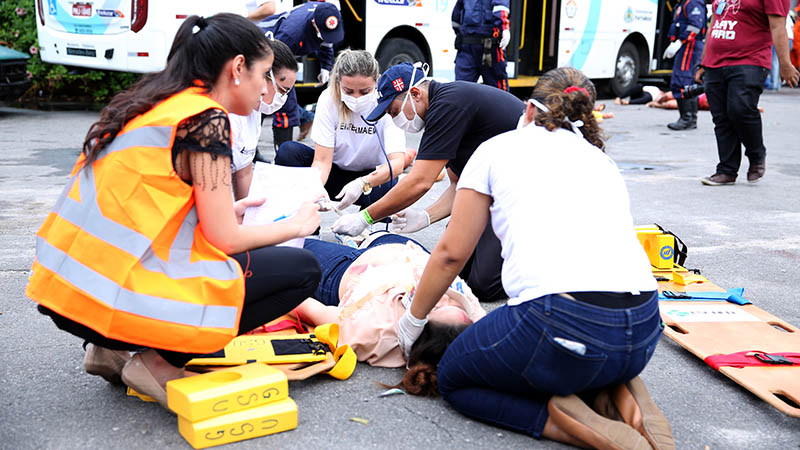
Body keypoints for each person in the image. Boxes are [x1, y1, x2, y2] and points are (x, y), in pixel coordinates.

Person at [26, 14, 323, 408]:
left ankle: (107, 349)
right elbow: (225, 239)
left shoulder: (152, 103)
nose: (267, 89)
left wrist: (222, 208)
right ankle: (158, 363)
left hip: (68, 292)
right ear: (237, 68)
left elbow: (140, 205)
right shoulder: (207, 119)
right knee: (302, 270)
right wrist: (297, 225)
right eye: (265, 73)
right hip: (116, 297)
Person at [394, 67, 674, 449]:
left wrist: (413, 321)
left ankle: (568, 424)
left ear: (527, 109)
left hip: (566, 325)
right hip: (642, 333)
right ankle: (621, 393)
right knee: (577, 348)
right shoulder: (600, 160)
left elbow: (450, 255)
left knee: (456, 376)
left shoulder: (497, 149)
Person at [332, 62, 526, 302]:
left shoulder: (448, 105)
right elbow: (458, 186)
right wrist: (426, 216)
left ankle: (538, 254)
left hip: (526, 184)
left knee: (484, 284)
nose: (395, 120)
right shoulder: (443, 108)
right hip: (499, 184)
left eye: (393, 112)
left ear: (415, 94)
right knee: (457, 269)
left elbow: (420, 181)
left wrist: (365, 217)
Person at [294, 232, 486, 368]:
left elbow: (307, 308)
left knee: (289, 243)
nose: (443, 296)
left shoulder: (373, 330)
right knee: (382, 232)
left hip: (345, 268)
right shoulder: (469, 310)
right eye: (453, 302)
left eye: (436, 307)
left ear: (413, 331)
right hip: (408, 251)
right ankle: (368, 236)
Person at [275, 50, 408, 211]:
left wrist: (364, 182)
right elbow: (322, 160)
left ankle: (366, 226)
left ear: (377, 82)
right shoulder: (328, 99)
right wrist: (315, 189)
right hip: (335, 173)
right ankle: (307, 226)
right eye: (348, 91)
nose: (357, 98)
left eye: (365, 91)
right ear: (338, 83)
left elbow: (397, 163)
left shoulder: (386, 102)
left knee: (390, 181)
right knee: (289, 151)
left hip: (371, 182)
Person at [696, 0, 800, 186]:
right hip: (715, 62)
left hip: (750, 60)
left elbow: (777, 27)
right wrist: (704, 61)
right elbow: (714, 23)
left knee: (740, 108)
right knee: (721, 117)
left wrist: (785, 64)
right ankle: (726, 170)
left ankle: (756, 153)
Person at [259, 2, 345, 150]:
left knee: (284, 101)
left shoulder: (327, 15)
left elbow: (327, 43)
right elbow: (276, 60)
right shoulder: (291, 33)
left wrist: (325, 67)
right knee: (279, 100)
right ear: (313, 23)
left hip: (284, 51)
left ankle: (304, 117)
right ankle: (275, 155)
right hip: (264, 50)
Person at [229, 39, 298, 200]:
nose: (282, 98)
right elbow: (217, 200)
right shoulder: (228, 116)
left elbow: (243, 173)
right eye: (282, 90)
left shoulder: (254, 111)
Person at [662, 0, 706, 130]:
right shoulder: (684, 3)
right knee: (684, 81)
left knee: (683, 81)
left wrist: (680, 42)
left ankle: (687, 118)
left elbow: (695, 26)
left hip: (689, 47)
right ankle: (689, 118)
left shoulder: (692, 3)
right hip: (686, 46)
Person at [451, 0, 511, 91]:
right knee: (498, 92)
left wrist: (462, 35)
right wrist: (504, 29)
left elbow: (456, 17)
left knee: (461, 90)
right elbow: (500, 8)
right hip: (490, 48)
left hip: (467, 48)